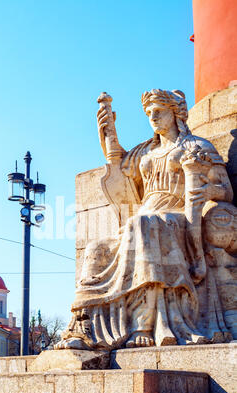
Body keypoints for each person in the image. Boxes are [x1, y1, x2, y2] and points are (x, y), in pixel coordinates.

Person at [56, 89, 234, 350]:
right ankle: (84, 324)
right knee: (97, 249)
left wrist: (206, 191)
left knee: (145, 225)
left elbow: (226, 190)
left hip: (177, 216)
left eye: (158, 112)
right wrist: (107, 130)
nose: (152, 117)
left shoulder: (197, 146)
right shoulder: (145, 151)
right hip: (143, 218)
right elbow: (117, 161)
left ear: (176, 114)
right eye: (149, 113)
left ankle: (144, 323)